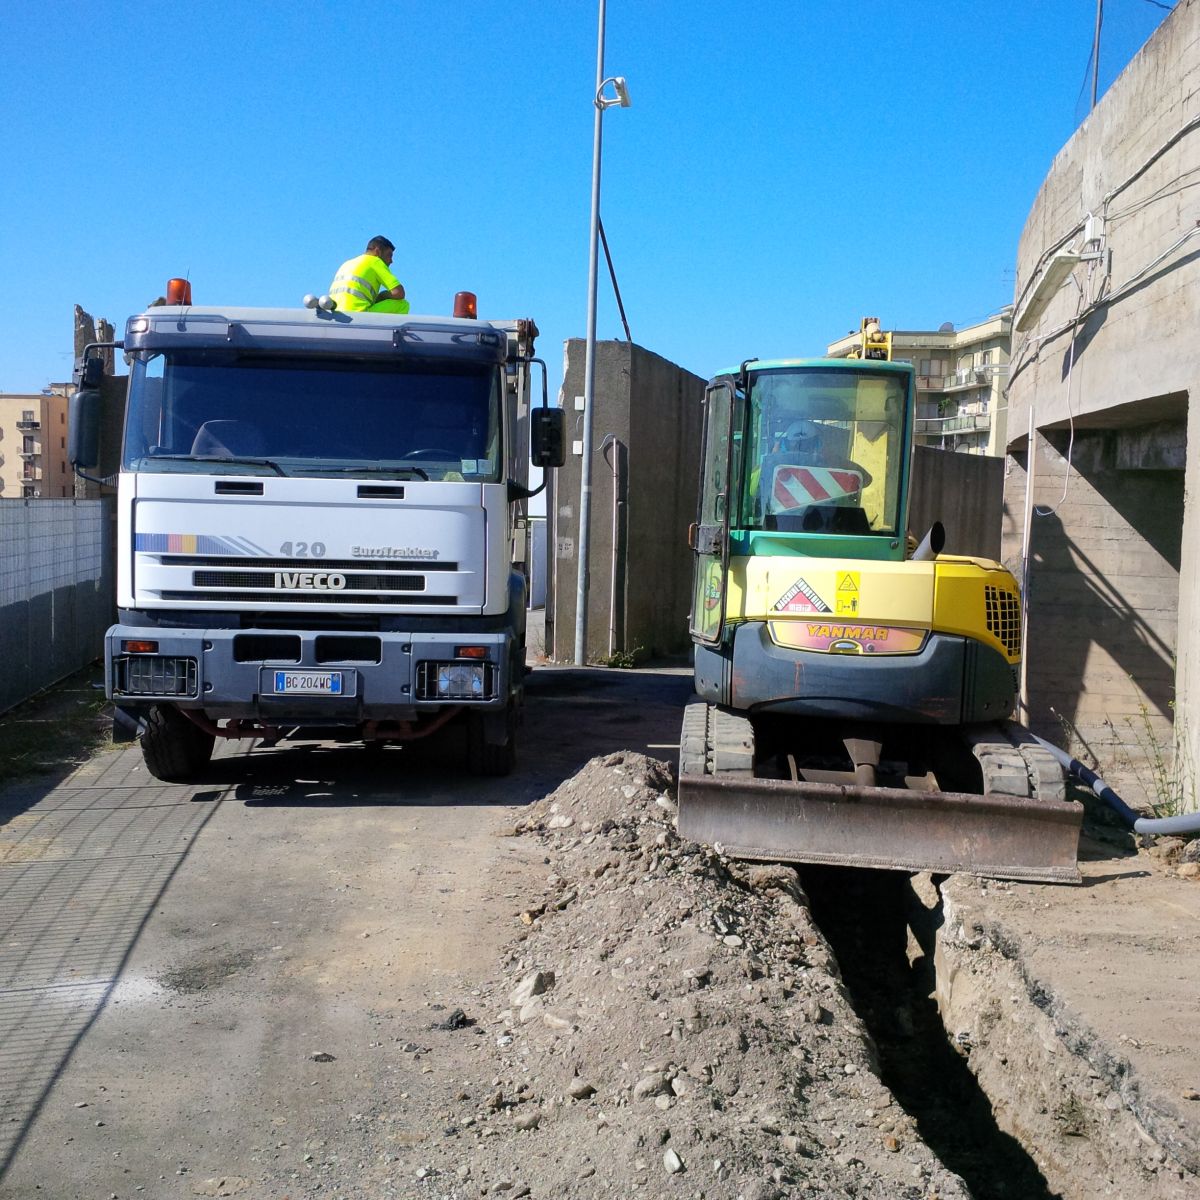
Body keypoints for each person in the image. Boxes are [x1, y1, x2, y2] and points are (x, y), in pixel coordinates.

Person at [328, 236, 410, 313]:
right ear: (378, 251)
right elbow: (399, 293)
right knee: (403, 305)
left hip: (336, 314)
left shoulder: (347, 263)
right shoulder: (375, 261)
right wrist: (381, 296)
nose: (391, 261)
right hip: (360, 313)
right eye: (389, 255)